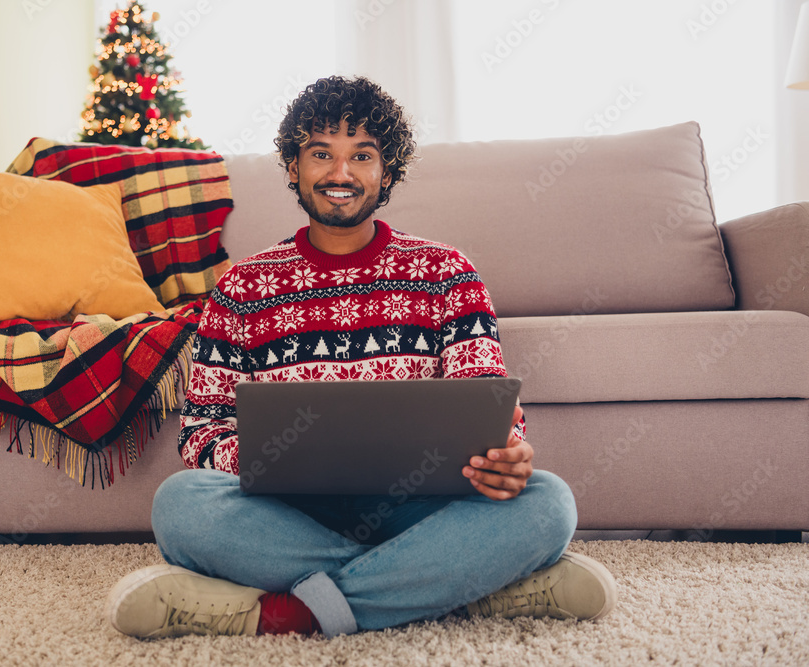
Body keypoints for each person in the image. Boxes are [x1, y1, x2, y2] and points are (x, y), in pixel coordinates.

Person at [105, 75, 617, 640]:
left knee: (547, 503)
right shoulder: (243, 287)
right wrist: (276, 462)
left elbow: (491, 405)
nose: (340, 173)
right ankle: (454, 589)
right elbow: (201, 430)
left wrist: (506, 455)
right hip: (289, 512)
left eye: (362, 156)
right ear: (293, 169)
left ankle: (288, 613)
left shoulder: (447, 272)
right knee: (180, 504)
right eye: (321, 153)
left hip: (421, 507)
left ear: (387, 172)